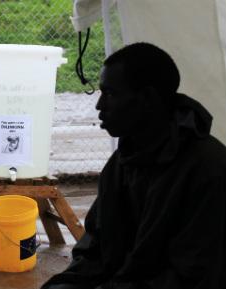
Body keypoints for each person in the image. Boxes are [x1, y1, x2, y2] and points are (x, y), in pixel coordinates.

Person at [42, 42, 226, 289]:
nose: (99, 106)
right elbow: (94, 252)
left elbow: (192, 276)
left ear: (147, 99)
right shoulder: (121, 165)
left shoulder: (207, 168)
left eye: (110, 94)